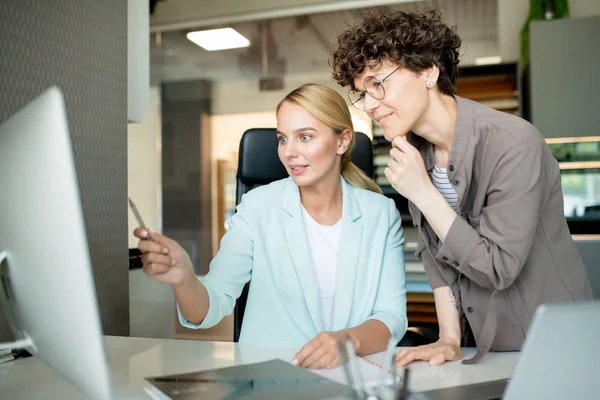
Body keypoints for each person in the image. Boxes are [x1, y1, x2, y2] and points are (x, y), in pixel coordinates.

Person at [331, 10, 593, 366]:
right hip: (480, 345)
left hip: (554, 345)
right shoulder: (413, 153)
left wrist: (423, 192)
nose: (371, 105)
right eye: (363, 93)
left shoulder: (513, 144)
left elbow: (497, 267)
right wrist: (449, 338)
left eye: (379, 83)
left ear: (428, 72)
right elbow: (434, 255)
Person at [134, 83, 408, 369]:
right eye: (283, 139)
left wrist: (347, 342)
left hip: (354, 377)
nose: (289, 151)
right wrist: (184, 279)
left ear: (342, 141)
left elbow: (392, 315)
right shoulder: (257, 207)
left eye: (305, 137)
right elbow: (212, 303)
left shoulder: (380, 213)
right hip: (274, 378)